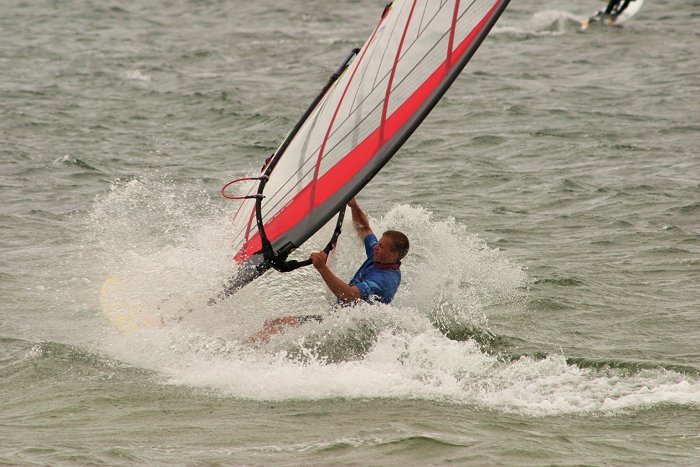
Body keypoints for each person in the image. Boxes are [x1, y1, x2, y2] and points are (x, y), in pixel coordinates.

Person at [245, 197, 409, 343]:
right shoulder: (379, 256)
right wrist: (354, 206)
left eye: (381, 246)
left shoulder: (384, 280)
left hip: (348, 329)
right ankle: (249, 347)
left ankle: (244, 351)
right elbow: (364, 228)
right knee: (272, 324)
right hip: (339, 319)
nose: (376, 248)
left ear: (394, 254)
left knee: (278, 325)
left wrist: (322, 268)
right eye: (378, 243)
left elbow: (350, 296)